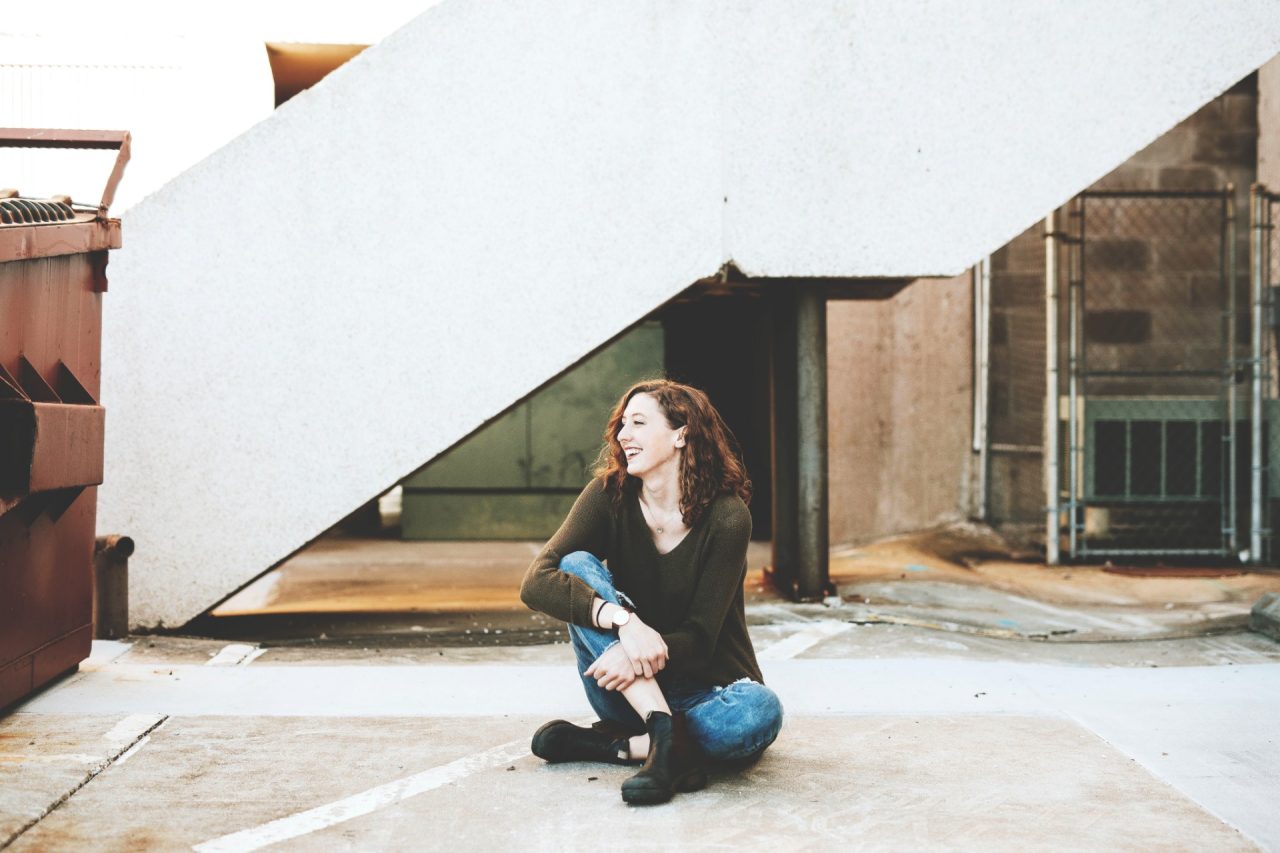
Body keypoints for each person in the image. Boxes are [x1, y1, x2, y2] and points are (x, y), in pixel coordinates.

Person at [519, 379, 783, 805]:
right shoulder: (608, 496)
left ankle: (626, 746)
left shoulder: (727, 517)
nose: (624, 435)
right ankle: (664, 732)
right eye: (623, 424)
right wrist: (624, 623)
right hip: (626, 694)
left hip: (706, 693)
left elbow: (699, 639)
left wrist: (634, 653)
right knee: (575, 565)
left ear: (681, 434)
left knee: (760, 710)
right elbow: (536, 581)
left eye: (639, 423)